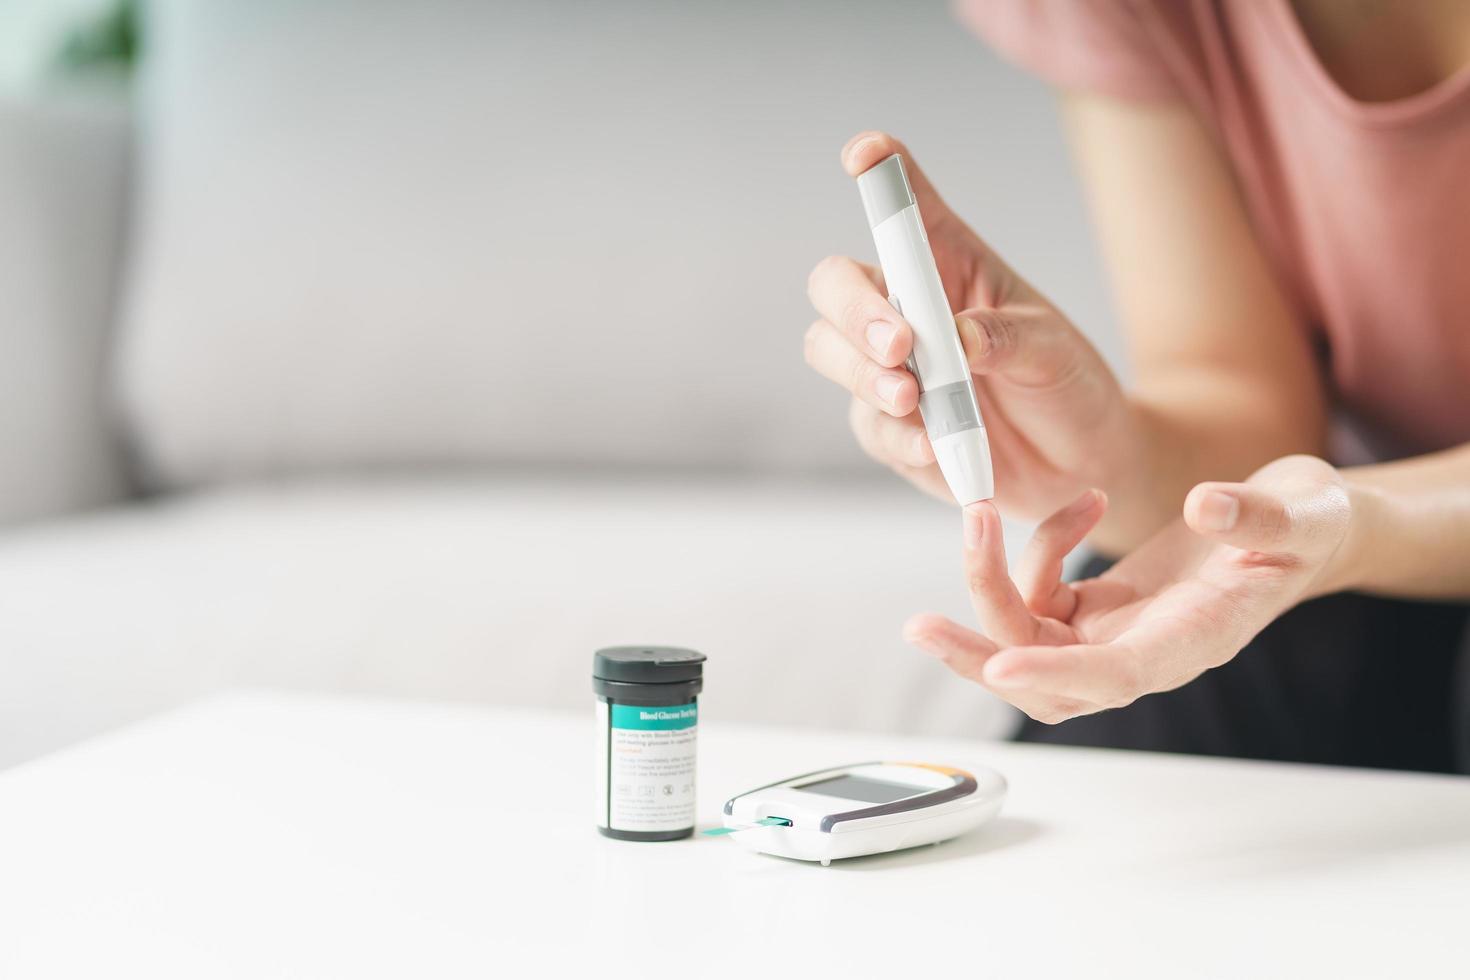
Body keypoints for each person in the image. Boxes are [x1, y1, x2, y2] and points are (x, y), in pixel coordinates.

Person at [803, 0, 1470, 773]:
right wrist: (1114, 455)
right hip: (1353, 536)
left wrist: (1348, 522)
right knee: (1152, 665)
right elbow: (1248, 408)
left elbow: (1330, 520)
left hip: (1365, 524)